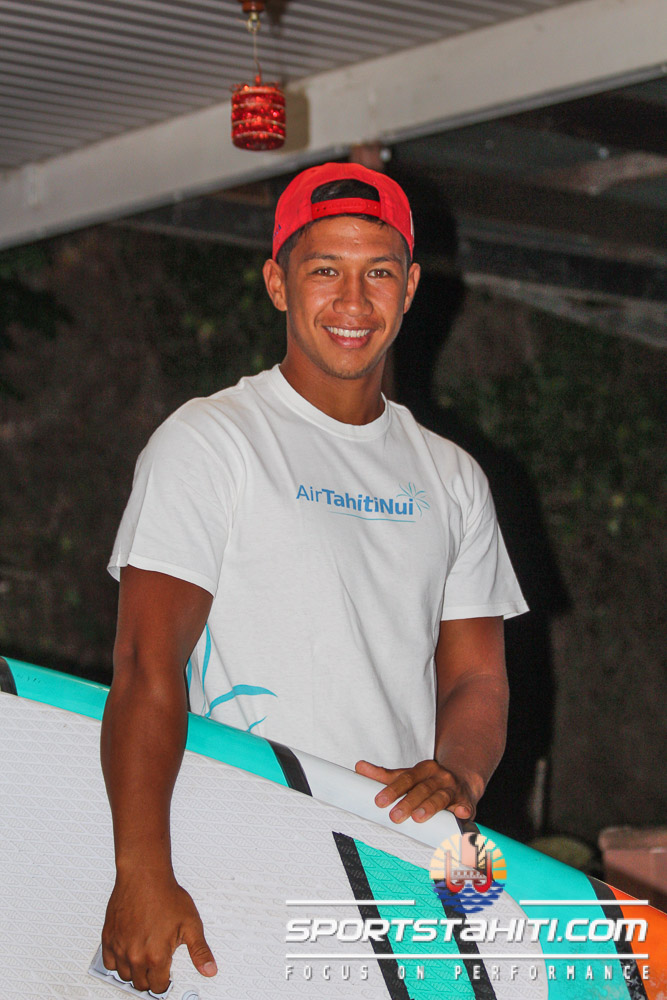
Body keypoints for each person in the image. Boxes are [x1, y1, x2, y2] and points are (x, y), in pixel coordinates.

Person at [101, 161, 527, 994]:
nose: (352, 302)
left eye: (378, 274)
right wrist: (140, 871)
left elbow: (476, 679)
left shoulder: (451, 477)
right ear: (277, 283)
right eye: (325, 270)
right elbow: (145, 666)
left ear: (409, 288)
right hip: (237, 857)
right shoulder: (212, 442)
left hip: (400, 874)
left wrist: (459, 775)